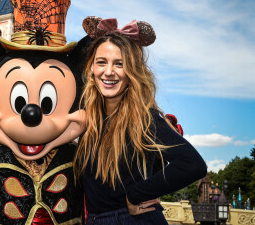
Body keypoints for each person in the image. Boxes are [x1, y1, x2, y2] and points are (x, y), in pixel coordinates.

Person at [73, 16, 207, 224]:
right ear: (91, 67)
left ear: (132, 71)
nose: (109, 72)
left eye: (120, 64)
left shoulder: (143, 118)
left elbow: (192, 164)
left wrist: (137, 195)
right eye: (102, 62)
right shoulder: (89, 118)